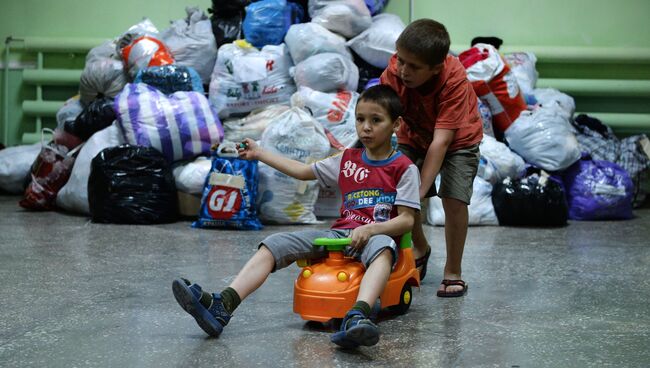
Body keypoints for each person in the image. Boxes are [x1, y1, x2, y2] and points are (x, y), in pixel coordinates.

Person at [172, 85, 421, 348]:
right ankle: (223, 305)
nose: (366, 127)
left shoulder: (404, 168)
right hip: (339, 234)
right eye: (360, 119)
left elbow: (407, 220)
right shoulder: (348, 158)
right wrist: (259, 153)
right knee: (274, 244)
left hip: (375, 238)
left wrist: (373, 230)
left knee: (383, 249)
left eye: (376, 120)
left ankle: (358, 316)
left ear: (396, 124)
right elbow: (303, 171)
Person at [380, 19, 483, 297]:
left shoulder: (453, 80)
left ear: (436, 68)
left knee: (454, 199)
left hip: (457, 139)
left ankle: (453, 271)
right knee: (395, 191)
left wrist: (420, 191)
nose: (403, 70)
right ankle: (421, 247)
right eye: (401, 60)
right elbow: (385, 118)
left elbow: (442, 141)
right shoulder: (393, 73)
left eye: (413, 67)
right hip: (414, 135)